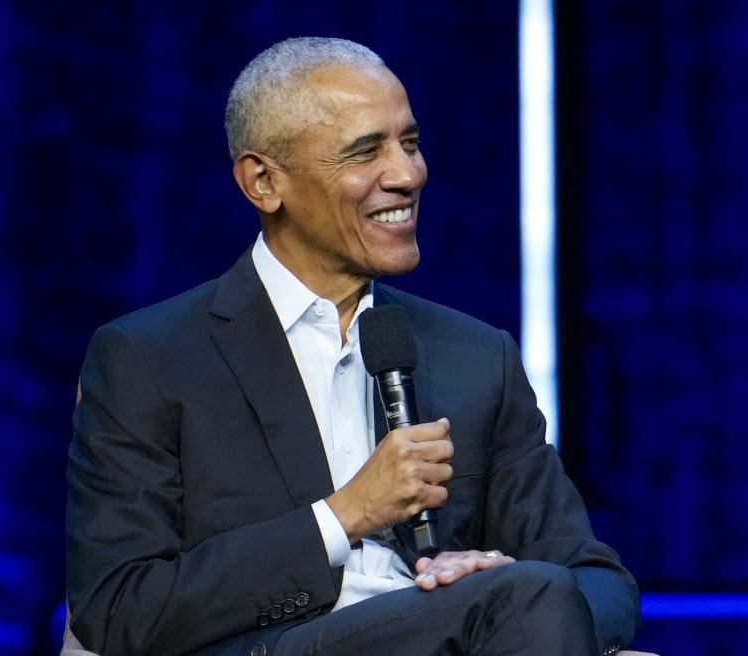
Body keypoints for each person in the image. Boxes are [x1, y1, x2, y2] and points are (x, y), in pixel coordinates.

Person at [66, 36, 641, 656]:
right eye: (366, 152)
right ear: (263, 182)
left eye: (411, 143)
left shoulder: (477, 357)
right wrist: (343, 517)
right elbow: (117, 606)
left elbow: (598, 581)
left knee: (529, 594)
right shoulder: (150, 358)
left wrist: (500, 588)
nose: (406, 175)